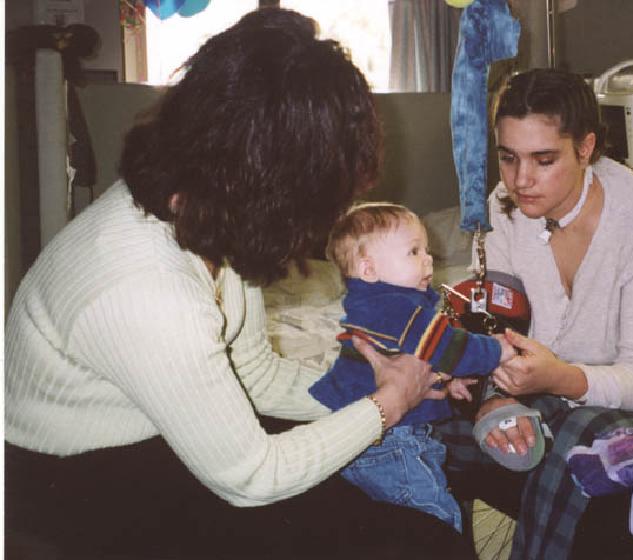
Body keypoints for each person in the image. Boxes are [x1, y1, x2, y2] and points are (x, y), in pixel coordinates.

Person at [4, 8, 475, 560]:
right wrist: (386, 406)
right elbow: (250, 476)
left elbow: (254, 373)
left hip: (146, 434)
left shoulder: (209, 216)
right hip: (76, 483)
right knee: (420, 544)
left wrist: (380, 385)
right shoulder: (149, 288)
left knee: (402, 508)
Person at [444, 68, 633, 560]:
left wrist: (556, 378)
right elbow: (493, 329)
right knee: (435, 421)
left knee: (579, 436)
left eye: (543, 160)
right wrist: (491, 400)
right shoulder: (503, 210)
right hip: (558, 394)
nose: (520, 180)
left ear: (585, 147)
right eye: (507, 158)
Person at [309, 202, 516, 532]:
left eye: (427, 250)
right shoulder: (392, 307)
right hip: (389, 441)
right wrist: (497, 350)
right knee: (437, 518)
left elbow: (411, 361)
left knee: (419, 511)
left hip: (389, 433)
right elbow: (449, 347)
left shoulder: (385, 304)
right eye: (413, 251)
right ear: (369, 270)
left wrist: (444, 384)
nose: (428, 259)